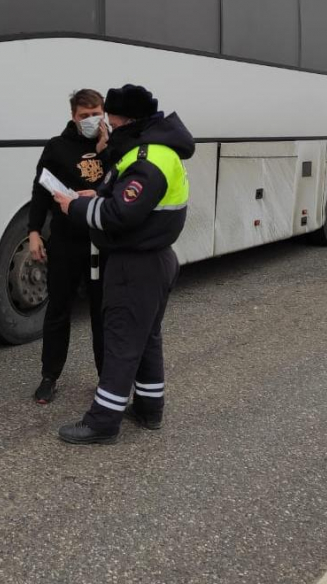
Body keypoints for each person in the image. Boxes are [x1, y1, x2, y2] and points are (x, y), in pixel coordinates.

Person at [53, 84, 195, 444]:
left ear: (128, 120)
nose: (108, 127)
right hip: (154, 260)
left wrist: (77, 206)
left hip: (136, 265)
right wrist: (97, 193)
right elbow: (124, 197)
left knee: (120, 342)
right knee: (146, 338)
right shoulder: (155, 152)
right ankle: (149, 408)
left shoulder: (147, 159)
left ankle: (102, 423)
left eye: (112, 121)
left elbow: (120, 214)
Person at [28, 89, 109, 404]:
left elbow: (123, 185)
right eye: (84, 115)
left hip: (102, 242)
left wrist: (104, 151)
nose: (91, 120)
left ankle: (107, 378)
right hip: (65, 241)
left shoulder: (114, 147)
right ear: (73, 116)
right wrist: (34, 231)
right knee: (58, 310)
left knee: (103, 314)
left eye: (96, 113)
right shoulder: (57, 147)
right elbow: (40, 192)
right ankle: (50, 376)